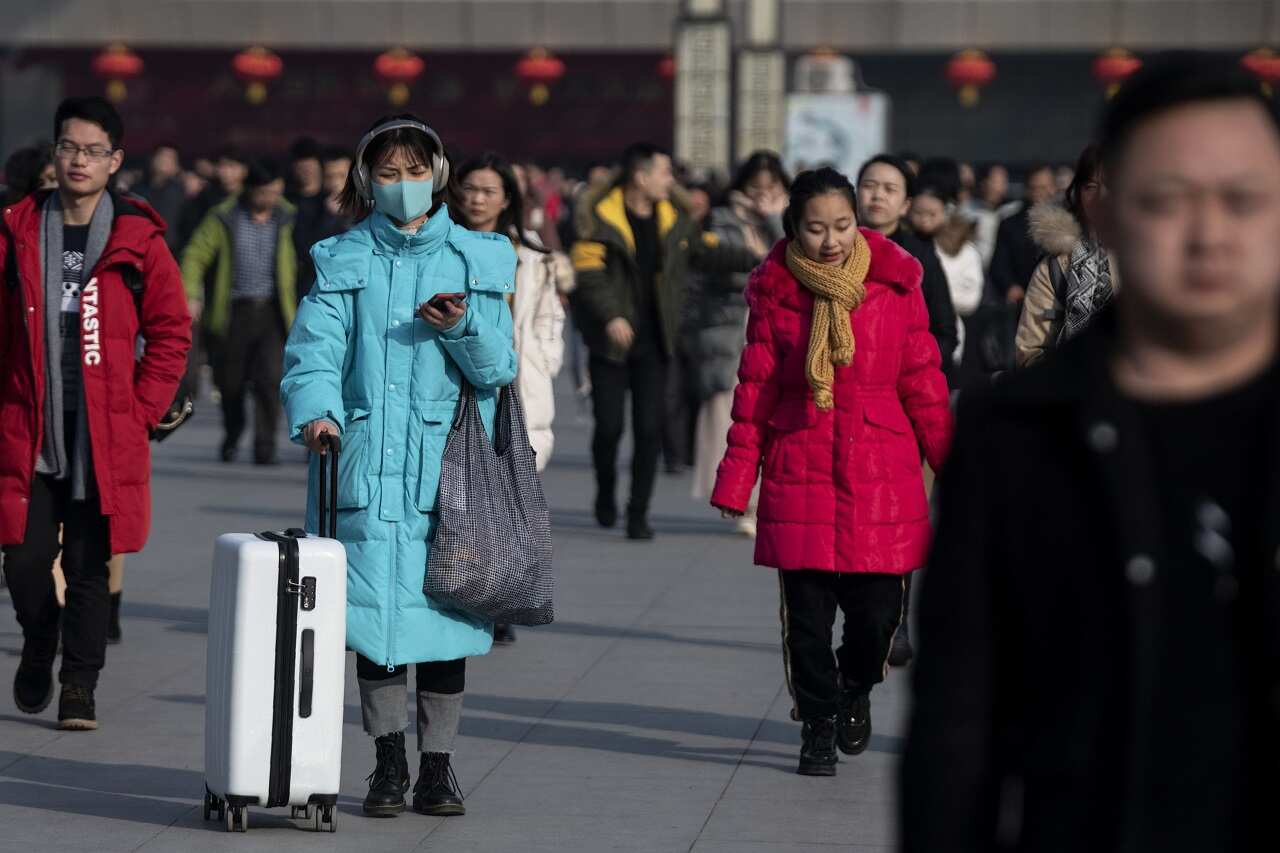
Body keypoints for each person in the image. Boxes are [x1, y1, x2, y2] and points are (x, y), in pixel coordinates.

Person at [902, 55, 1280, 852]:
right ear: (1102, 211)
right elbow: (958, 726)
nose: (1210, 233)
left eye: (1244, 200)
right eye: (1166, 200)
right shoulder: (1018, 436)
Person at [281, 114, 517, 819]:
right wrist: (318, 411)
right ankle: (387, 760)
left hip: (445, 473)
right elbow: (313, 350)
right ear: (365, 181)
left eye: (416, 171)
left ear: (438, 176)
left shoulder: (478, 257)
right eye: (389, 173)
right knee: (373, 622)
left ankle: (438, 766)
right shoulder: (341, 258)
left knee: (444, 617)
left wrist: (462, 326)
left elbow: (498, 366)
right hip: (360, 465)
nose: (404, 185)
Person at [711, 167, 951, 776]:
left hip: (881, 472)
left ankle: (857, 689)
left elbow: (923, 379)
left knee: (877, 619)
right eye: (816, 228)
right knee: (808, 627)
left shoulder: (896, 285)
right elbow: (757, 389)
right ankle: (817, 722)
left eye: (842, 225)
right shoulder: (775, 293)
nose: (831, 240)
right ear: (793, 228)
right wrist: (738, 477)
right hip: (801, 466)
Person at [0, 96, 190, 730]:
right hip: (31, 429)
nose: (77, 161)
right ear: (53, 153)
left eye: (91, 151)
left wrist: (140, 408)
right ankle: (38, 639)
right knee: (24, 563)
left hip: (103, 433)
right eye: (67, 147)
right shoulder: (19, 230)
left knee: (87, 567)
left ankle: (79, 687)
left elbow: (170, 333)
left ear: (115, 160)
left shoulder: (138, 238)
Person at [569, 143, 758, 540]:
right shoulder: (597, 218)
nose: (670, 181)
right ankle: (606, 493)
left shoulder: (675, 220)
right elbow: (589, 276)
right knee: (609, 427)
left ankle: (638, 513)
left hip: (656, 340)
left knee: (650, 428)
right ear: (642, 176)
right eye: (664, 173)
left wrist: (755, 256)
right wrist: (612, 316)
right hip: (612, 342)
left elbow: (705, 252)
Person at [454, 152, 566, 646]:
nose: (477, 199)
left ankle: (497, 596)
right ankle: (462, 589)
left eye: (488, 191)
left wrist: (543, 359)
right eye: (470, 189)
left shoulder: (533, 254)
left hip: (517, 385)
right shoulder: (445, 245)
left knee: (509, 497)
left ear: (507, 200)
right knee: (461, 496)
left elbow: (548, 317)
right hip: (458, 382)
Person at [688, 151, 788, 538]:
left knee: (773, 411)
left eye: (772, 188)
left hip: (777, 327)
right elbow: (723, 263)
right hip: (731, 327)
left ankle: (766, 499)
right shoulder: (723, 217)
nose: (763, 195)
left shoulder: (790, 219)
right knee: (729, 412)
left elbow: (792, 258)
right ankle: (740, 497)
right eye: (756, 188)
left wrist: (773, 219)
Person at [181, 158, 297, 465]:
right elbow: (195, 255)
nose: (268, 199)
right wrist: (191, 293)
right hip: (233, 312)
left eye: (274, 192)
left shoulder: (288, 218)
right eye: (263, 193)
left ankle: (264, 445)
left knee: (269, 380)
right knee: (229, 382)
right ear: (249, 191)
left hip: (273, 312)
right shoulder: (224, 217)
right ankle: (233, 432)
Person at [1015, 144, 1116, 367]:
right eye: (1091, 186)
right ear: (1077, 193)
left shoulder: (1154, 259)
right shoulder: (1057, 266)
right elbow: (1029, 352)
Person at [909, 179, 985, 369]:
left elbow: (971, 299)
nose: (924, 219)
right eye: (918, 213)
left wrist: (937, 296)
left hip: (948, 341)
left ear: (946, 211)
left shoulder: (965, 251)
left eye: (932, 214)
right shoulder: (902, 246)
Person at [988, 163, 1058, 304]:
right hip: (1023, 301)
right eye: (1034, 188)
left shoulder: (1068, 223)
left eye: (1044, 187)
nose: (1040, 193)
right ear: (1027, 189)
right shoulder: (1010, 224)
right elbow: (999, 264)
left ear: (1053, 188)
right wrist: (1010, 286)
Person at [131, 143, 186, 256]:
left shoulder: (182, 193)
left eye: (170, 158)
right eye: (161, 156)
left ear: (177, 167)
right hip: (138, 249)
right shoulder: (137, 190)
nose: (164, 161)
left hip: (168, 252)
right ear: (152, 159)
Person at [965, 163, 1019, 269]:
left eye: (1003, 182)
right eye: (995, 182)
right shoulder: (968, 211)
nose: (999, 187)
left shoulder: (1013, 210)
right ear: (983, 183)